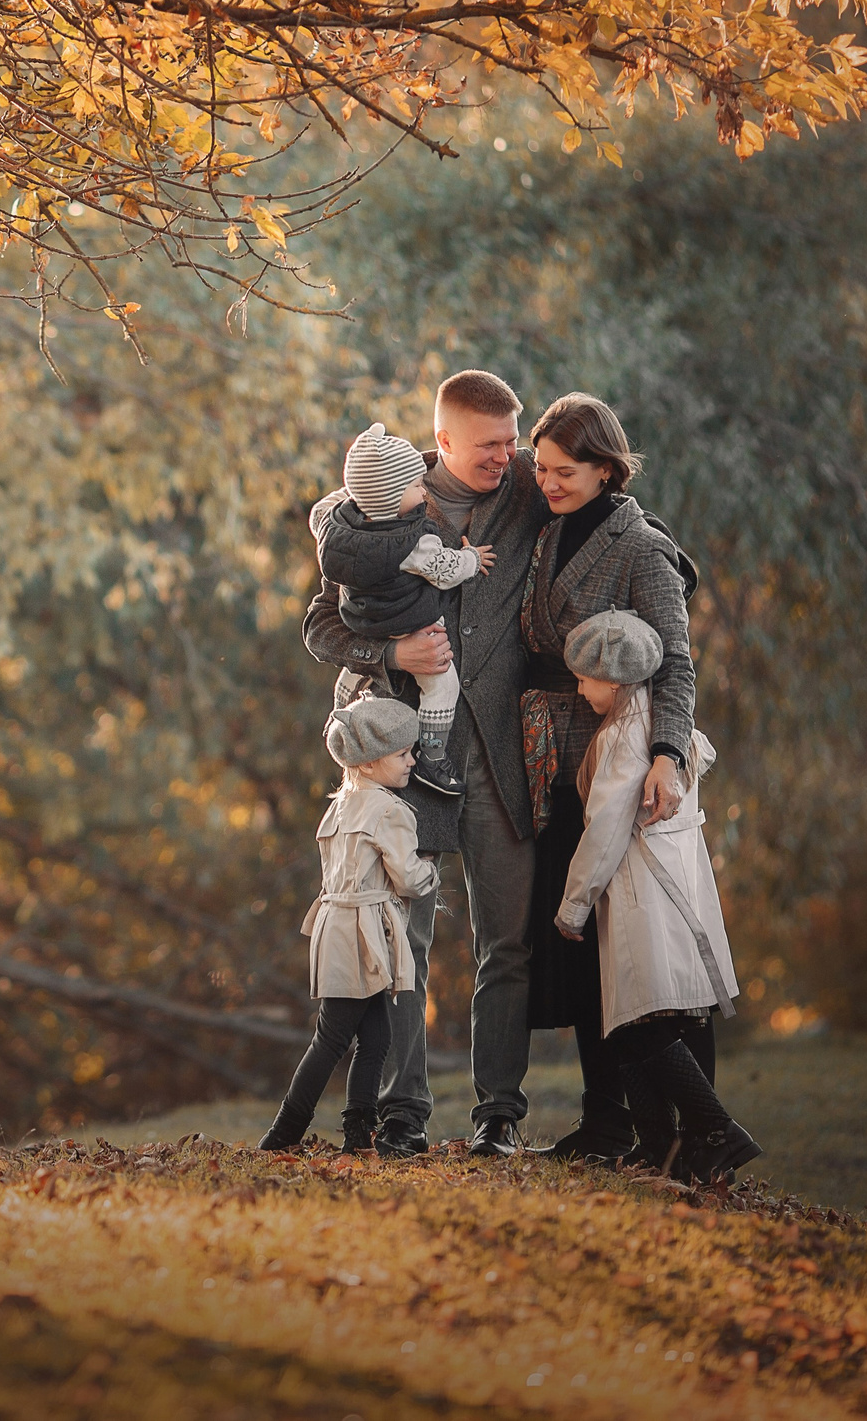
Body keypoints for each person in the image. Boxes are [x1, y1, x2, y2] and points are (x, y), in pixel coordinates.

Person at [304, 371, 551, 1158]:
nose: (506, 458)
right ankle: (401, 1113)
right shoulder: (377, 505)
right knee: (401, 939)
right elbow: (319, 625)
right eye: (489, 446)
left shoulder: (526, 486)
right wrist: (391, 649)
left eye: (512, 441)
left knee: (504, 939)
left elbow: (606, 506)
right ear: (441, 440)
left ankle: (499, 1116)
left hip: (500, 754)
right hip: (405, 760)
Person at [514, 393, 699, 1162]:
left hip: (620, 769)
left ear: (605, 469)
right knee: (578, 944)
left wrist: (669, 754)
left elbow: (679, 661)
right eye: (540, 467)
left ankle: (678, 1129)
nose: (546, 481)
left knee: (632, 948)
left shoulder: (638, 546)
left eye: (563, 471)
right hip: (556, 764)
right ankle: (605, 1118)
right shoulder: (550, 530)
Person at [551, 610, 760, 1183]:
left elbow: (605, 831)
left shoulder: (622, 740)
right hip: (677, 885)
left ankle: (715, 1130)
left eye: (585, 679)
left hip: (643, 889)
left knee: (641, 1021)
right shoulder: (668, 733)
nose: (579, 688)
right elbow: (703, 753)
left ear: (614, 681)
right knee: (635, 1018)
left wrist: (573, 904)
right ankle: (661, 1146)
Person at [258, 696, 441, 1155]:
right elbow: (408, 878)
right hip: (364, 933)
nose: (411, 761)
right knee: (333, 1036)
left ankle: (359, 1130)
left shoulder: (340, 805)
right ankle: (283, 1133)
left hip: (336, 928)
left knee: (376, 1035)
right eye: (403, 754)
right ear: (374, 760)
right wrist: (432, 867)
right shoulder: (390, 810)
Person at [312, 422, 498, 798]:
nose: (423, 489)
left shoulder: (337, 529)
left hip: (366, 622)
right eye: (416, 486)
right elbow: (446, 572)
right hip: (410, 621)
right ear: (393, 496)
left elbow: (319, 513)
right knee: (441, 685)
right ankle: (432, 755)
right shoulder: (413, 542)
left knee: (353, 672)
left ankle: (340, 712)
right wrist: (472, 558)